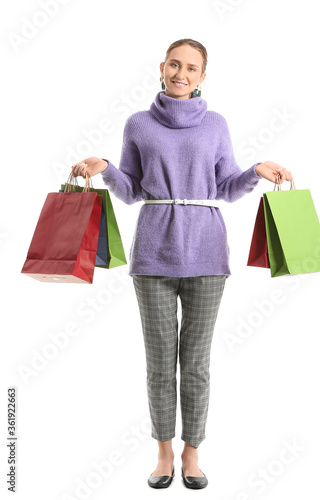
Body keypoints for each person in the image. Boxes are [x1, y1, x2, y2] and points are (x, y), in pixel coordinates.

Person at [72, 38, 292, 490]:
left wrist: (255, 171)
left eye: (192, 68)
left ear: (202, 77)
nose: (182, 74)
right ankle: (163, 453)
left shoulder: (215, 125)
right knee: (158, 364)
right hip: (153, 255)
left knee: (195, 363)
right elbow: (133, 190)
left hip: (208, 255)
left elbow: (227, 187)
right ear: (162, 67)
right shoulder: (139, 124)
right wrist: (107, 168)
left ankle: (193, 451)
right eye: (175, 64)